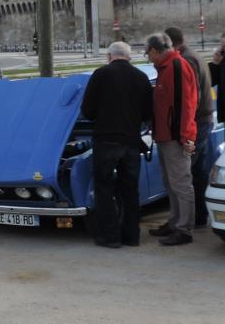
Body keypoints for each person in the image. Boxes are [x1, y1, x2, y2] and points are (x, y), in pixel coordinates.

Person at [81, 42, 153, 248]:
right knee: (130, 190)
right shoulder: (141, 77)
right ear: (129, 57)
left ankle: (109, 237)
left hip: (106, 140)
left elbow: (88, 110)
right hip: (131, 141)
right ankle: (132, 236)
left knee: (104, 189)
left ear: (109, 56)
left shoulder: (100, 74)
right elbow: (148, 113)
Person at [146, 33, 199, 246]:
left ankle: (184, 228)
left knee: (181, 183)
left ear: (156, 50)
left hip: (175, 137)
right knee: (171, 182)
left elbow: (186, 104)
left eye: (148, 53)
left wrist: (186, 137)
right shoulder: (167, 68)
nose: (148, 58)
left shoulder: (176, 67)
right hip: (166, 135)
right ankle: (175, 221)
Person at [166, 27, 216, 228]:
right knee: (198, 171)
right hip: (203, 119)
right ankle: (199, 216)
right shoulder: (195, 56)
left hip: (196, 122)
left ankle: (185, 221)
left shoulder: (185, 60)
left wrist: (185, 128)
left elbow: (190, 97)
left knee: (184, 174)